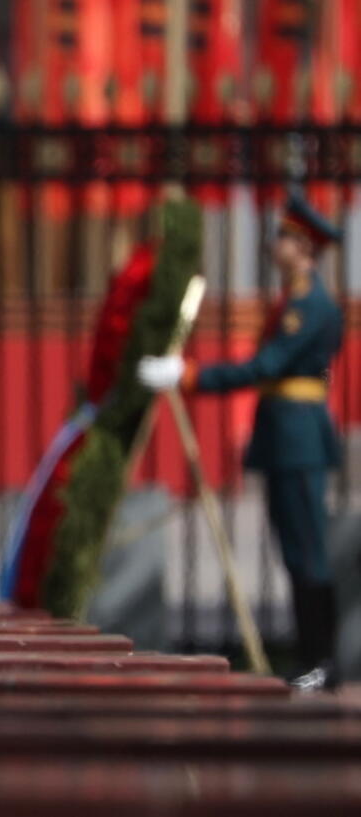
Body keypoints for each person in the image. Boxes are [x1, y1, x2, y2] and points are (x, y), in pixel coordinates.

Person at [138, 194, 343, 692]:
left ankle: (323, 662)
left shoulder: (309, 306)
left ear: (303, 247)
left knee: (307, 552)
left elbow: (266, 368)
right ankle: (311, 656)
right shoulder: (294, 300)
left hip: (298, 439)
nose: (274, 245)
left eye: (282, 238)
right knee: (295, 551)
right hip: (284, 435)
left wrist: (188, 375)